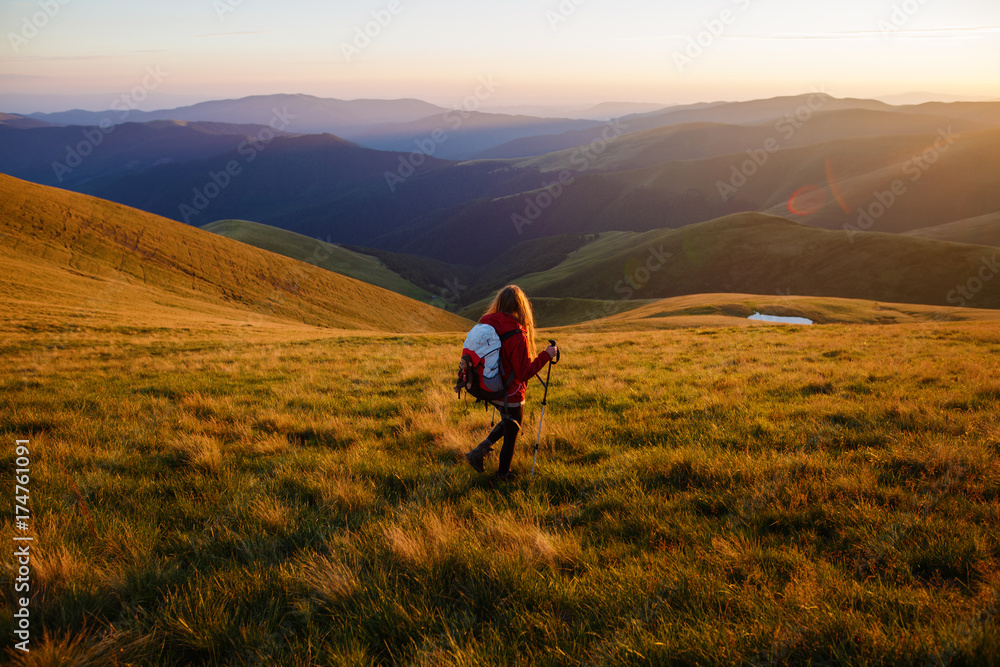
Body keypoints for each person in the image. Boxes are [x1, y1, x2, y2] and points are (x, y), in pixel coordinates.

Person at [465, 285, 557, 481]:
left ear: (498, 303)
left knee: (507, 421)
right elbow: (524, 373)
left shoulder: (486, 322)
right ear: (521, 307)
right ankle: (503, 475)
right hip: (510, 391)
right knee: (512, 429)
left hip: (485, 386)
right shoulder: (517, 334)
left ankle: (480, 451)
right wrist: (546, 355)